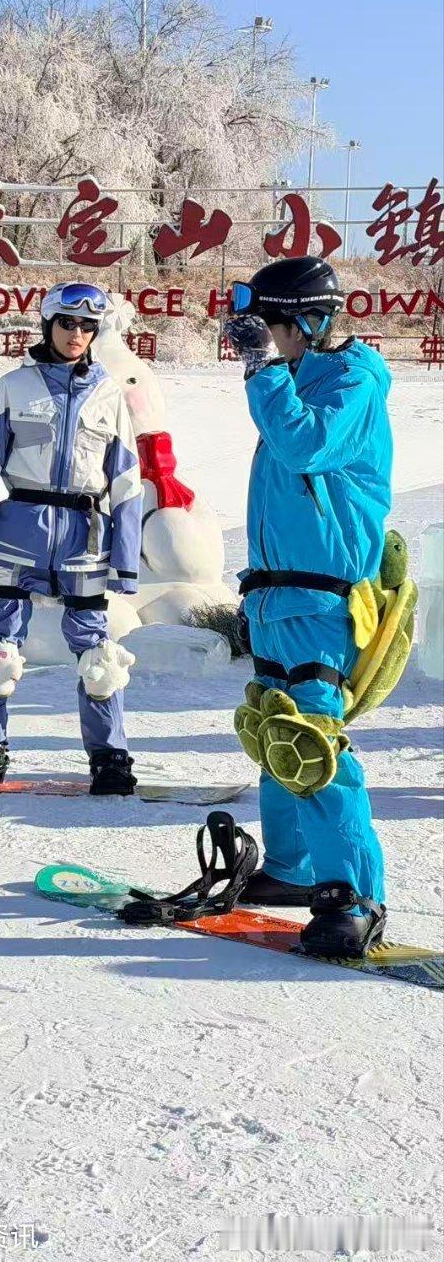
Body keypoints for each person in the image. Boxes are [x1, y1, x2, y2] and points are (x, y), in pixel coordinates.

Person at [223, 256, 391, 957]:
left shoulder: (351, 381)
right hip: (277, 591)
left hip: (323, 597)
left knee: (314, 745)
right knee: (275, 733)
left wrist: (262, 369)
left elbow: (305, 446)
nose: (263, 340)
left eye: (270, 326)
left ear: (309, 321)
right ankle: (293, 869)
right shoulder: (294, 378)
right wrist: (256, 590)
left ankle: (355, 896)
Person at [0, 282, 143, 795]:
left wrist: (125, 558)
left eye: (87, 326)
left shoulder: (109, 394)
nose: (76, 334)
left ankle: (109, 757)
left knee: (99, 660)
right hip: (18, 534)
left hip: (84, 539)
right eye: (67, 323)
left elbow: (126, 480)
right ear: (48, 324)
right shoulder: (15, 386)